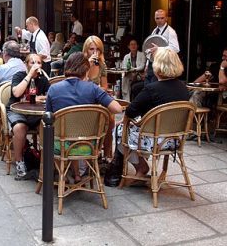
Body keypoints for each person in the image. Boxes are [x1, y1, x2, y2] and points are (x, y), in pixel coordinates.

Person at [46, 52, 123, 181]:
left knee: (56, 133)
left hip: (61, 145)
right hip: (87, 145)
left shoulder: (54, 89)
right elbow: (117, 108)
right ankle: (76, 175)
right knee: (73, 133)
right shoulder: (93, 89)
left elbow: (48, 116)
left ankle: (61, 176)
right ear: (86, 70)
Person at [119, 48, 190, 178]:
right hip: (174, 139)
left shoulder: (152, 89)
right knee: (139, 128)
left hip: (155, 139)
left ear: (158, 66)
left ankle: (141, 166)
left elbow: (130, 111)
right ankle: (143, 164)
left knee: (119, 130)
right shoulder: (183, 88)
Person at [7, 54, 49, 180]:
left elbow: (51, 95)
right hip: (17, 111)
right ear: (26, 64)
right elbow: (16, 93)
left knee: (46, 126)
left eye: (38, 62)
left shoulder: (43, 79)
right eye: (32, 62)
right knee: (20, 128)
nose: (36, 65)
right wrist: (30, 74)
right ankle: (19, 163)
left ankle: (44, 162)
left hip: (35, 113)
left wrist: (38, 98)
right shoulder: (19, 76)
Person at [144, 9, 179, 84]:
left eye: (162, 18)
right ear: (154, 18)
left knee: (155, 88)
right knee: (147, 87)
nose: (159, 20)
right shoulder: (155, 30)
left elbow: (176, 48)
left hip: (163, 65)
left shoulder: (171, 32)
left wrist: (159, 49)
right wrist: (147, 64)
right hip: (152, 64)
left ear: (166, 18)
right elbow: (151, 47)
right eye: (157, 18)